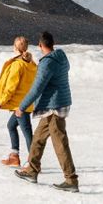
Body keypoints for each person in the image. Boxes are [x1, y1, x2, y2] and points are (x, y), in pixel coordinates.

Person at [14, 31, 78, 193]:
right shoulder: (60, 57)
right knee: (38, 139)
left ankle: (71, 180)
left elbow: (36, 89)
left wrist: (22, 107)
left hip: (53, 107)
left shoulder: (47, 63)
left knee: (60, 143)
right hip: (58, 103)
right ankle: (31, 171)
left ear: (41, 45)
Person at [0, 36, 37, 167]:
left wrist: (2, 100)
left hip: (20, 105)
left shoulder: (18, 65)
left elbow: (11, 86)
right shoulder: (31, 64)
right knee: (11, 126)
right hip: (26, 102)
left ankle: (33, 163)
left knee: (27, 132)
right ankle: (14, 156)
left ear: (15, 48)